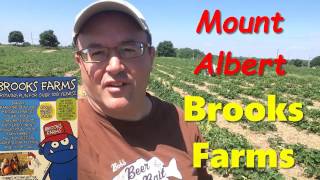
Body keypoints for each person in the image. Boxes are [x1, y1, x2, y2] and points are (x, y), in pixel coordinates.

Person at [73, 0, 212, 179]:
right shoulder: (59, 131)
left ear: (151, 57)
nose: (114, 66)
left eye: (129, 49)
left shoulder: (184, 124)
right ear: (80, 62)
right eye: (97, 53)